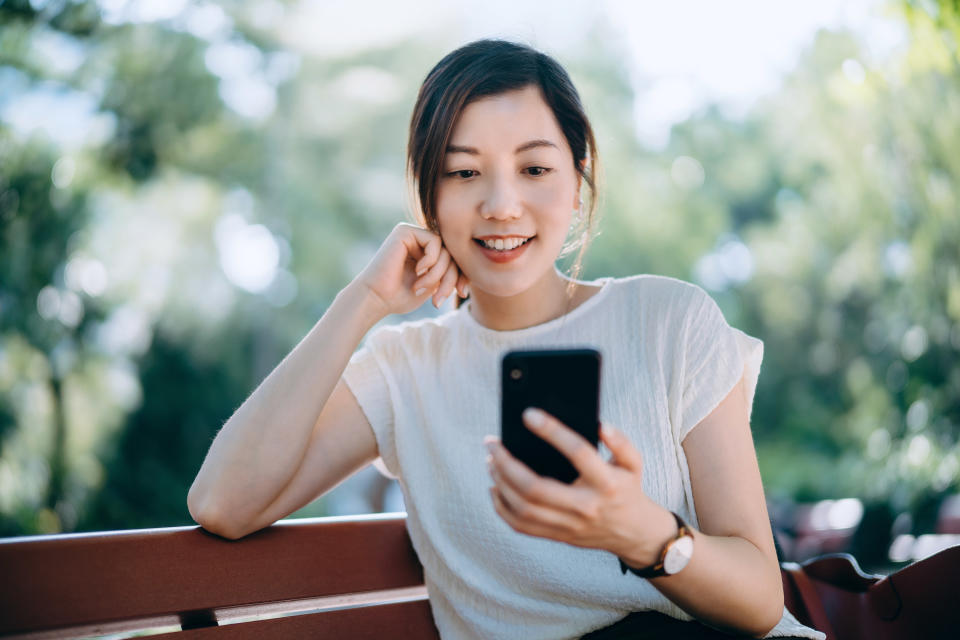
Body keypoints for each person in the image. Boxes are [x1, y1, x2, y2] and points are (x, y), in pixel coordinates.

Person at [187, 40, 825, 640]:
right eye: (463, 173)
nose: (501, 203)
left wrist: (640, 533)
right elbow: (223, 504)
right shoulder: (404, 370)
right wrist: (363, 304)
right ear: (429, 198)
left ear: (577, 181)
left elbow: (760, 599)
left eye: (535, 167)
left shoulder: (670, 321)